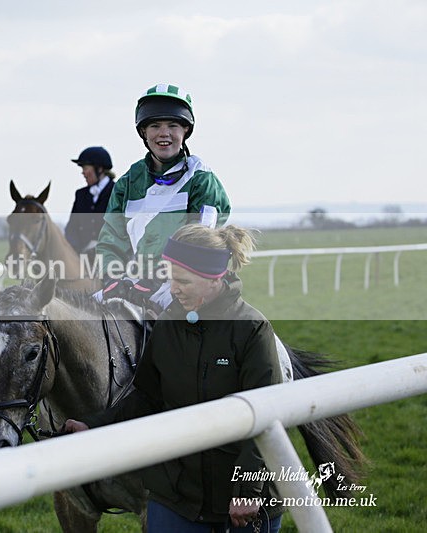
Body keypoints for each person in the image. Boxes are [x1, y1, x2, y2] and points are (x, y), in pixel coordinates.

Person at [64, 224, 285, 533]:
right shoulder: (168, 323)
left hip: (241, 502)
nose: (173, 288)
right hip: (175, 497)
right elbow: (147, 397)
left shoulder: (252, 329)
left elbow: (266, 414)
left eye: (182, 280)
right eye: (170, 278)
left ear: (214, 277)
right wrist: (95, 424)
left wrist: (248, 491)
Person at [98, 83, 231, 309]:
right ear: (143, 132)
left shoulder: (201, 180)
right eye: (155, 125)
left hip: (184, 283)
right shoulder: (127, 183)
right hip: (132, 282)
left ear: (185, 131)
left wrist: (156, 279)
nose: (164, 133)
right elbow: (111, 239)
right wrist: (112, 279)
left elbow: (200, 242)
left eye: (173, 125)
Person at [65, 146, 117, 261]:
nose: (83, 173)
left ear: (99, 169)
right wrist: (77, 251)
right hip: (83, 258)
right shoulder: (81, 195)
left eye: (85, 168)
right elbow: (71, 228)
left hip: (113, 258)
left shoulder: (118, 192)